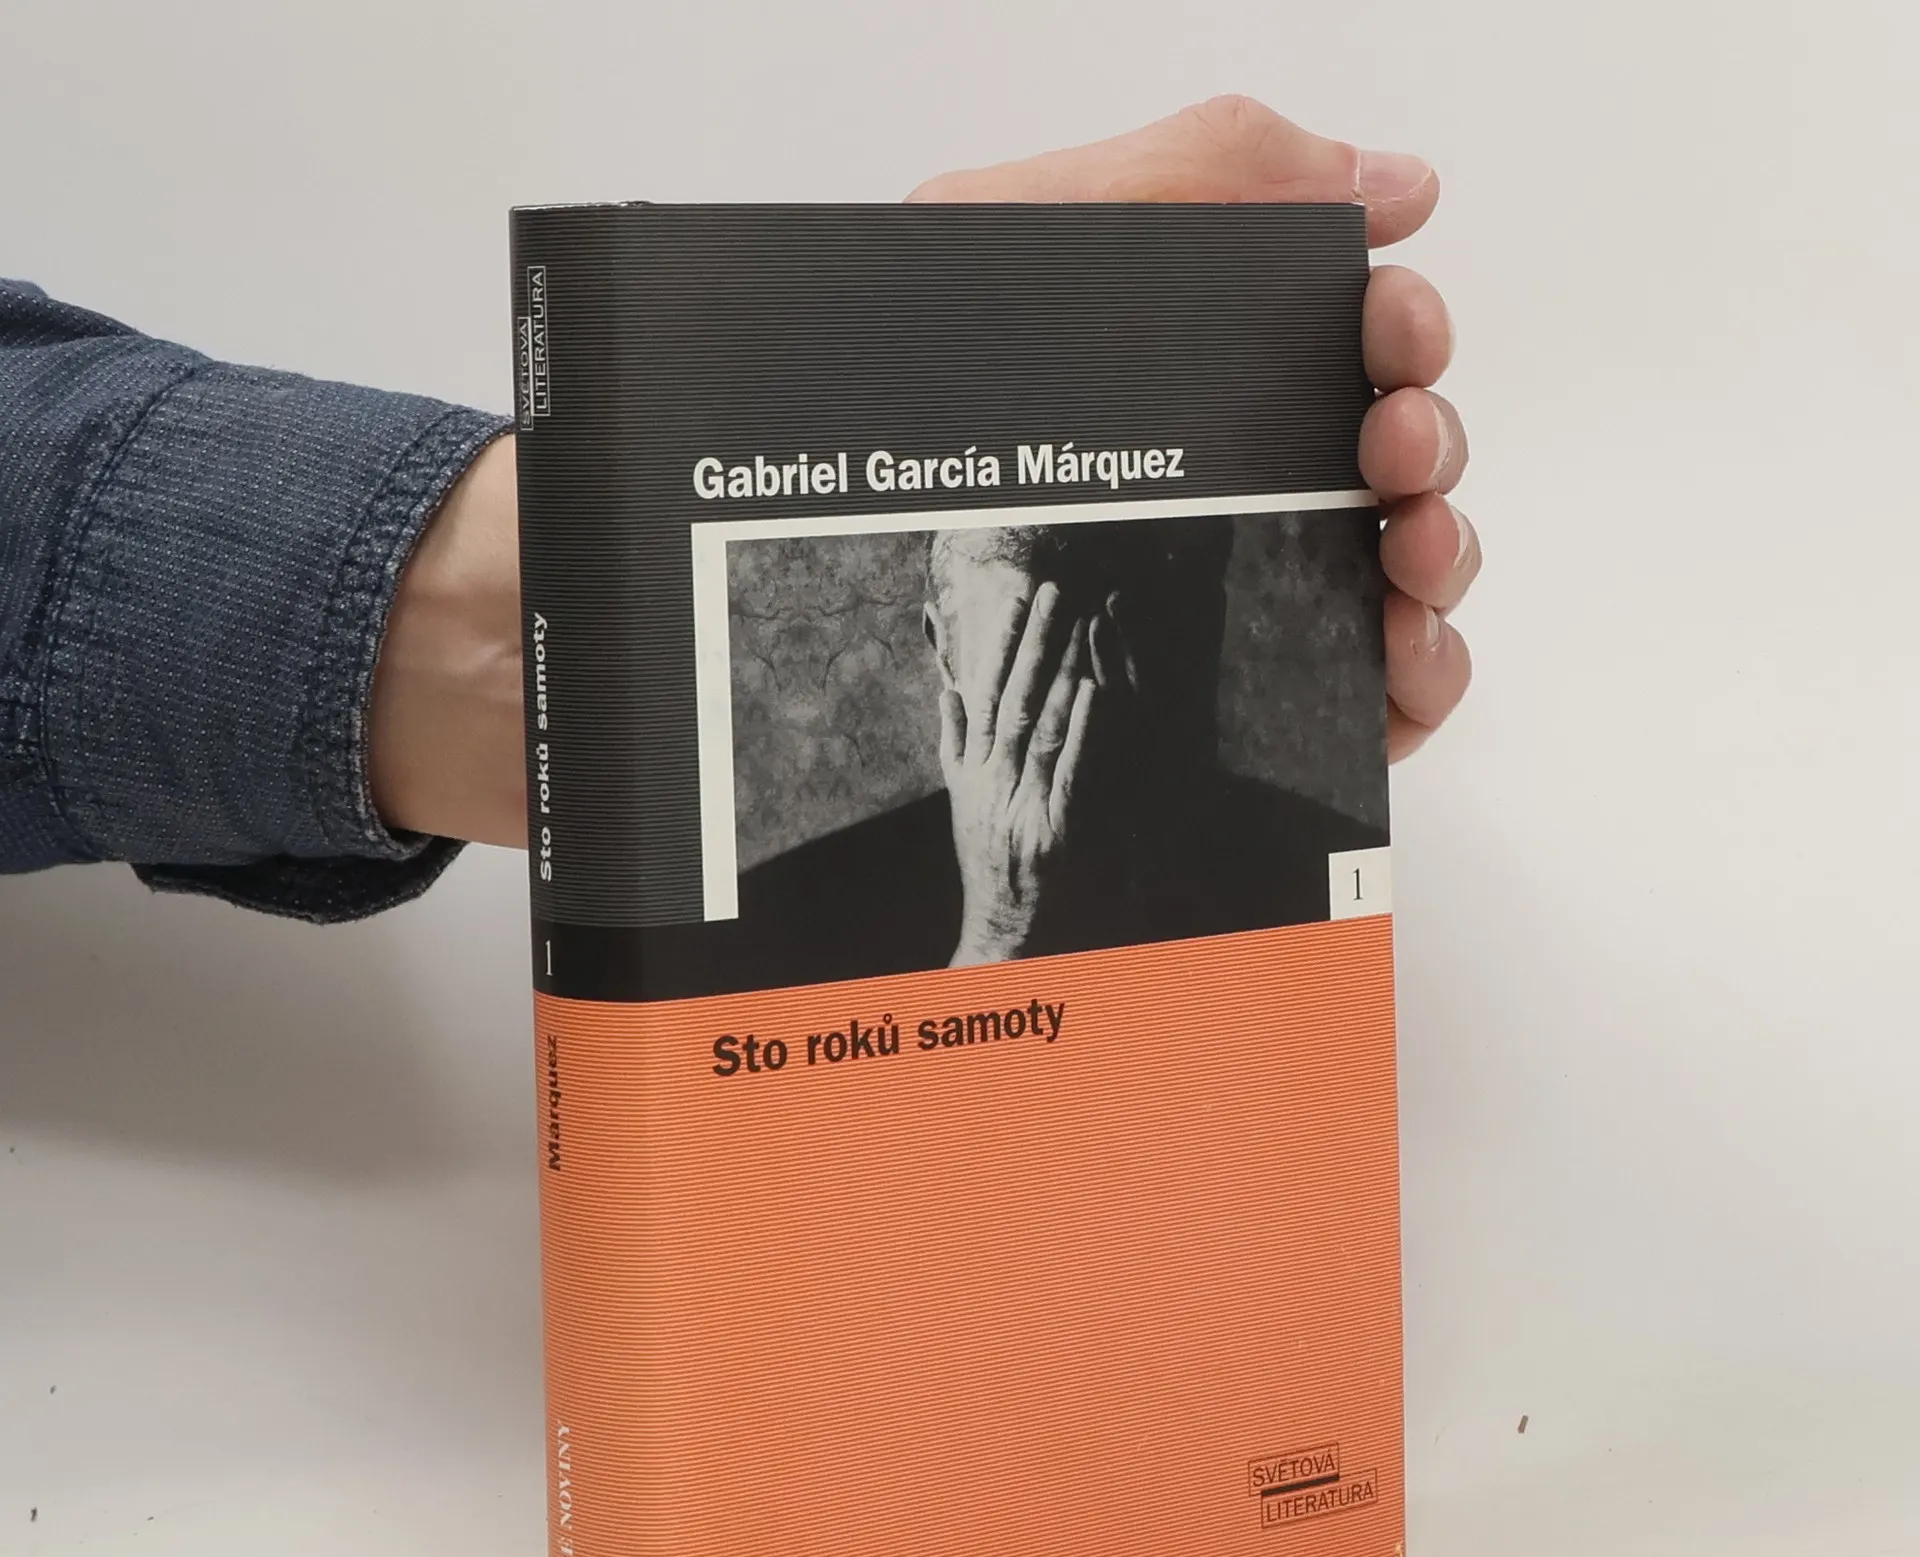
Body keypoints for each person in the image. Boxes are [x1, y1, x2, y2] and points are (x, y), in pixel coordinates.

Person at [0, 99, 1477, 927]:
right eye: (1037, 590)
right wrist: (1001, 925)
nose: (1087, 658)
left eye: (1133, 585)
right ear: (928, 634)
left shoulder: (1304, 848)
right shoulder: (796, 898)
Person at [711, 516, 1386, 992]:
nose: (1084, 708)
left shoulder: (1344, 881)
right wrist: (1000, 936)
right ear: (943, 654)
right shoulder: (786, 924)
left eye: (1120, 645)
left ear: (1205, 634)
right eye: (1031, 665)